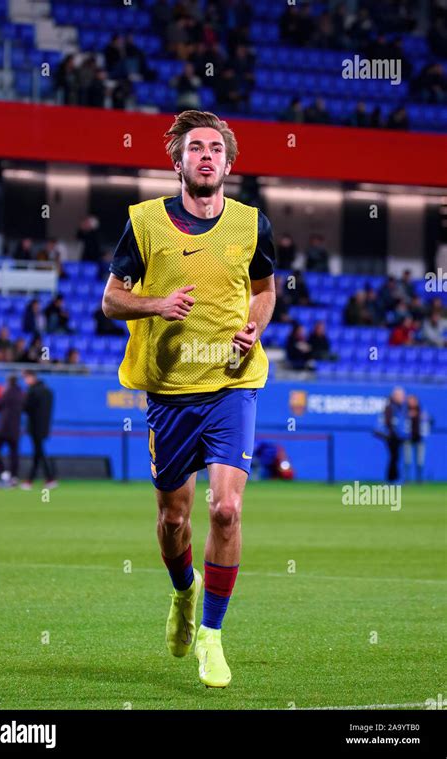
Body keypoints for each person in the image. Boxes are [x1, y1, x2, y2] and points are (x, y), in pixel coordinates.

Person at [102, 110, 276, 689]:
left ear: (229, 162)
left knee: (225, 509)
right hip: (170, 393)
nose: (206, 156)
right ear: (177, 162)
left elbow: (264, 289)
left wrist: (254, 328)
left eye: (215, 148)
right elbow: (111, 301)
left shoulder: (252, 224)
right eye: (195, 148)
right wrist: (155, 305)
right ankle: (182, 593)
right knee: (173, 518)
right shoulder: (145, 223)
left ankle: (213, 636)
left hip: (233, 383)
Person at [20, 370, 57, 490]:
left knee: (39, 453)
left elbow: (25, 407)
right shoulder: (48, 391)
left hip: (35, 427)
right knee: (38, 453)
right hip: (44, 427)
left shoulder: (33, 391)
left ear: (32, 377)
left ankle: (47, 479)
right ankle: (40, 479)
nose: (25, 381)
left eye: (26, 378)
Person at [0, 376, 23, 486]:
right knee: (14, 453)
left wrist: (2, 394)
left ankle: (3, 474)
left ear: (8, 382)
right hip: (15, 429)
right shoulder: (21, 393)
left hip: (4, 428)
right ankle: (14, 477)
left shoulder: (7, 392)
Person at [375, 387, 407, 482]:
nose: (403, 397)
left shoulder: (399, 407)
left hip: (397, 436)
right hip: (392, 437)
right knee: (394, 457)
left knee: (395, 457)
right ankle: (391, 479)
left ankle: (394, 478)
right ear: (395, 396)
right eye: (401, 396)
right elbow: (388, 422)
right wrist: (394, 434)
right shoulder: (390, 406)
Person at [403, 395, 430, 483]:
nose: (412, 402)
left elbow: (429, 422)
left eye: (413, 400)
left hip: (419, 439)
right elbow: (401, 424)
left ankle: (419, 479)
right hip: (408, 439)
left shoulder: (422, 412)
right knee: (407, 460)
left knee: (420, 461)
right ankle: (407, 479)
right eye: (410, 400)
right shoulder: (404, 411)